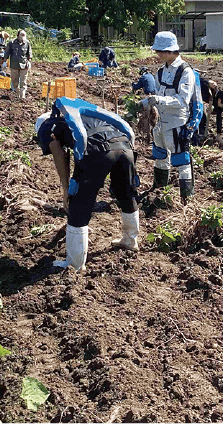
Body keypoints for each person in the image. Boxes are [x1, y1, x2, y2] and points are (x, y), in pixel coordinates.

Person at [35, 97, 141, 269]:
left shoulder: (50, 127)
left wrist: (65, 189)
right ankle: (130, 240)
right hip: (124, 148)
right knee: (126, 193)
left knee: (79, 204)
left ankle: (74, 264)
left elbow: (59, 153)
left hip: (97, 151)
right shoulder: (82, 119)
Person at [140, 31, 203, 202]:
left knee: (181, 159)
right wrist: (148, 104)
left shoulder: (185, 71)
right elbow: (159, 93)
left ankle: (186, 199)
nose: (158, 54)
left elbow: (183, 100)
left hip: (177, 122)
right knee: (159, 155)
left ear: (170, 51)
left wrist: (159, 100)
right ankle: (159, 190)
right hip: (160, 122)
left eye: (160, 51)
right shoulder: (161, 71)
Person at [6, 29, 33, 99]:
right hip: (14, 65)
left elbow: (29, 53)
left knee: (23, 81)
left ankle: (22, 96)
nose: (23, 37)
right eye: (22, 35)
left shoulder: (27, 43)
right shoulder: (11, 43)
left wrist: (29, 61)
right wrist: (4, 61)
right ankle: (17, 94)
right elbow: (7, 53)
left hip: (24, 65)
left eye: (24, 35)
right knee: (14, 81)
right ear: (17, 36)